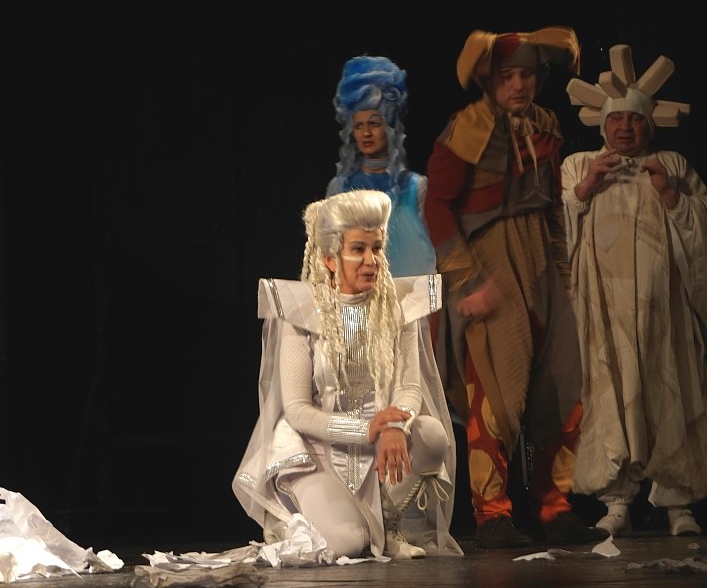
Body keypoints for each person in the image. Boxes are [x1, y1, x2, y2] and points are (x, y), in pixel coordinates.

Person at [424, 27, 603, 548]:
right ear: (490, 80)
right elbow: (437, 207)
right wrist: (467, 280)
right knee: (493, 394)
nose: (519, 85)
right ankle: (492, 514)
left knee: (563, 385)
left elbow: (550, 209)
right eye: (508, 76)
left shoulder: (545, 126)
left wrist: (563, 279)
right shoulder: (466, 129)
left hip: (539, 264)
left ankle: (554, 505)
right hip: (488, 265)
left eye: (526, 75)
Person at [233, 189, 462, 559]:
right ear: (329, 258)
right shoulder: (301, 312)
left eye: (377, 248)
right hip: (318, 452)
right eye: (358, 249)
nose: (370, 260)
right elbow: (297, 410)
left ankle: (388, 525)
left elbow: (409, 386)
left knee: (432, 435)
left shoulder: (398, 305)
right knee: (347, 544)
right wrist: (366, 429)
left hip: (381, 447)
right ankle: (301, 523)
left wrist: (394, 425)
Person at [562, 44, 707, 536]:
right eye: (616, 119)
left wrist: (671, 195)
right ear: (603, 125)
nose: (625, 127)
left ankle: (678, 505)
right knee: (608, 394)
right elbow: (554, 230)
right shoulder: (578, 165)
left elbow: (700, 229)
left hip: (663, 308)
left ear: (650, 125)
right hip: (603, 307)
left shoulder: (672, 163)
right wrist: (584, 191)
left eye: (635, 119)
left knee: (670, 390)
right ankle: (617, 502)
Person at [326, 55, 437, 277]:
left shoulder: (415, 186)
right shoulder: (340, 188)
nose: (366, 133)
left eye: (374, 124)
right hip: (359, 290)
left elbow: (436, 242)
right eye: (359, 126)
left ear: (390, 127)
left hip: (414, 292)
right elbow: (328, 248)